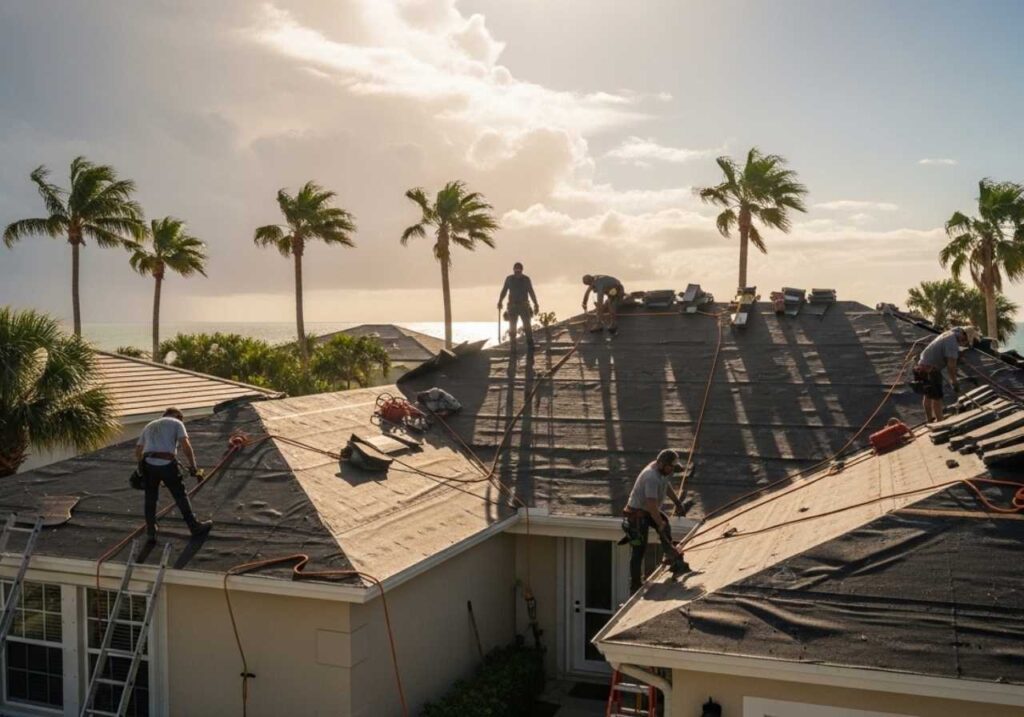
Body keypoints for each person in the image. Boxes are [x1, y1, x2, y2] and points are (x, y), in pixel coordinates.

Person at [135, 407, 212, 542]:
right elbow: (186, 445)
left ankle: (151, 531)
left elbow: (138, 450)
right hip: (167, 465)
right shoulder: (176, 423)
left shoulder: (149, 425)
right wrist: (194, 467)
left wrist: (141, 468)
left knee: (150, 498)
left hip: (148, 464)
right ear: (175, 415)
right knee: (180, 495)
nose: (181, 421)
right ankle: (194, 527)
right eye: (180, 418)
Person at [620, 449, 693, 593]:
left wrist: (677, 502)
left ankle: (669, 556)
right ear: (661, 464)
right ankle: (635, 585)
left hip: (646, 511)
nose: (672, 471)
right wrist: (659, 524)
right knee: (639, 550)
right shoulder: (651, 477)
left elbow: (666, 487)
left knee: (665, 524)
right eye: (670, 468)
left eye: (673, 468)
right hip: (636, 515)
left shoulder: (662, 472)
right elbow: (651, 505)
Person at [914, 326, 978, 422]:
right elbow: (951, 366)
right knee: (937, 397)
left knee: (928, 395)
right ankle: (940, 422)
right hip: (931, 369)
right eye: (965, 340)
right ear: (963, 336)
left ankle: (929, 420)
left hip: (920, 366)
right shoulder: (952, 342)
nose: (964, 343)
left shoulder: (949, 334)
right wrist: (954, 381)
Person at [498, 262, 540, 352]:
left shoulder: (526, 279)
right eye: (515, 269)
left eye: (519, 270)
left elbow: (531, 292)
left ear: (521, 270)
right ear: (513, 270)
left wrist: (536, 304)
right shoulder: (509, 279)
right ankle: (513, 347)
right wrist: (500, 301)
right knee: (512, 327)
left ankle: (530, 345)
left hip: (524, 306)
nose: (517, 271)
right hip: (512, 307)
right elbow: (504, 291)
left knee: (527, 326)